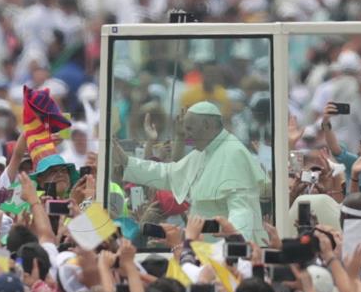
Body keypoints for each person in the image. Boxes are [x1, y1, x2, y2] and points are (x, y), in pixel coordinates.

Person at [112, 101, 268, 242]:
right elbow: (167, 174)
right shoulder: (203, 152)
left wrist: (235, 242)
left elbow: (241, 209)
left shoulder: (233, 153)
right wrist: (127, 162)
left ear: (206, 125)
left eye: (189, 129)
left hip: (226, 250)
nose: (186, 134)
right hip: (205, 247)